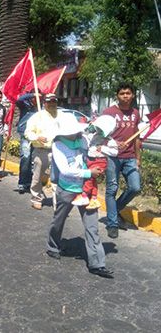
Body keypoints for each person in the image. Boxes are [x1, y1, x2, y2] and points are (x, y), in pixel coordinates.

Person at [46, 112, 113, 278]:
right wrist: (89, 172)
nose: (75, 133)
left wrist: (105, 152)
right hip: (67, 188)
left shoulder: (84, 139)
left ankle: (97, 263)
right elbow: (65, 169)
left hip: (87, 189)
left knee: (92, 227)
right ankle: (53, 246)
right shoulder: (58, 145)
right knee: (58, 221)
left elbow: (95, 153)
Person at [102, 83, 142, 239]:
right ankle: (112, 223)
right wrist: (113, 142)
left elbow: (137, 137)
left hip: (130, 157)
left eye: (128, 93)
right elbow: (99, 134)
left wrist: (138, 158)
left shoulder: (136, 113)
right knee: (112, 189)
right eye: (122, 93)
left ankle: (114, 210)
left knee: (135, 187)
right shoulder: (108, 113)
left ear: (133, 95)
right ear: (117, 96)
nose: (125, 96)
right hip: (113, 156)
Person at [71, 115, 118, 210]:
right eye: (98, 128)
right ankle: (93, 198)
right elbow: (86, 137)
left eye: (101, 129)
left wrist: (103, 148)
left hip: (100, 161)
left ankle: (84, 195)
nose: (99, 130)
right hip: (91, 159)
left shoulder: (109, 140)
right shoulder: (95, 135)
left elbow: (115, 152)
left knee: (90, 178)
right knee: (92, 180)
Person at [25, 94, 59, 210]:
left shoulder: (61, 116)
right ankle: (36, 198)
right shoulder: (37, 117)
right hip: (41, 150)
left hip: (57, 151)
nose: (52, 104)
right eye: (49, 102)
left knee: (57, 178)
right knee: (38, 176)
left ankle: (57, 202)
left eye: (54, 101)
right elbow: (28, 132)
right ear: (44, 103)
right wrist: (37, 137)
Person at [15, 92, 39, 193]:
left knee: (33, 160)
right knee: (25, 157)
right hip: (25, 135)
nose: (36, 99)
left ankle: (29, 182)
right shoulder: (25, 106)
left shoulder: (41, 108)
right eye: (34, 97)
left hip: (36, 136)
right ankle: (22, 182)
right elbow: (19, 99)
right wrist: (33, 94)